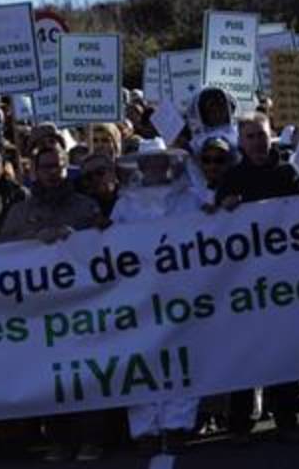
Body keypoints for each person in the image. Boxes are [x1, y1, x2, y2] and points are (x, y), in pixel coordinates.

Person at [0, 145, 103, 463]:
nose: (52, 173)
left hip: (81, 303)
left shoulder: (85, 206)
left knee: (86, 372)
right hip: (41, 308)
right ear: (34, 170)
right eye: (45, 167)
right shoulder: (19, 210)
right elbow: (2, 249)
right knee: (52, 374)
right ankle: (60, 439)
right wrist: (33, 236)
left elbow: (105, 239)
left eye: (57, 167)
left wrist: (79, 235)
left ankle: (91, 438)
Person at [214, 113, 299, 444]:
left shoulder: (288, 171)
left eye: (262, 135)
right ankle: (239, 423)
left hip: (283, 279)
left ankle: (287, 419)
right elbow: (214, 227)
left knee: (284, 352)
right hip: (245, 282)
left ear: (272, 137)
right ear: (241, 142)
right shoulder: (231, 178)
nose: (257, 142)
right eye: (251, 136)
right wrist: (224, 207)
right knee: (246, 352)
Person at [113, 139, 206, 454]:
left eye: (160, 161)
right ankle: (145, 429)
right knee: (141, 359)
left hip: (179, 290)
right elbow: (111, 244)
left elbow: (205, 230)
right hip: (138, 294)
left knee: (181, 357)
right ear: (139, 166)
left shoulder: (188, 198)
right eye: (148, 161)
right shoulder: (125, 203)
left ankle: (178, 423)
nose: (154, 166)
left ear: (170, 164)